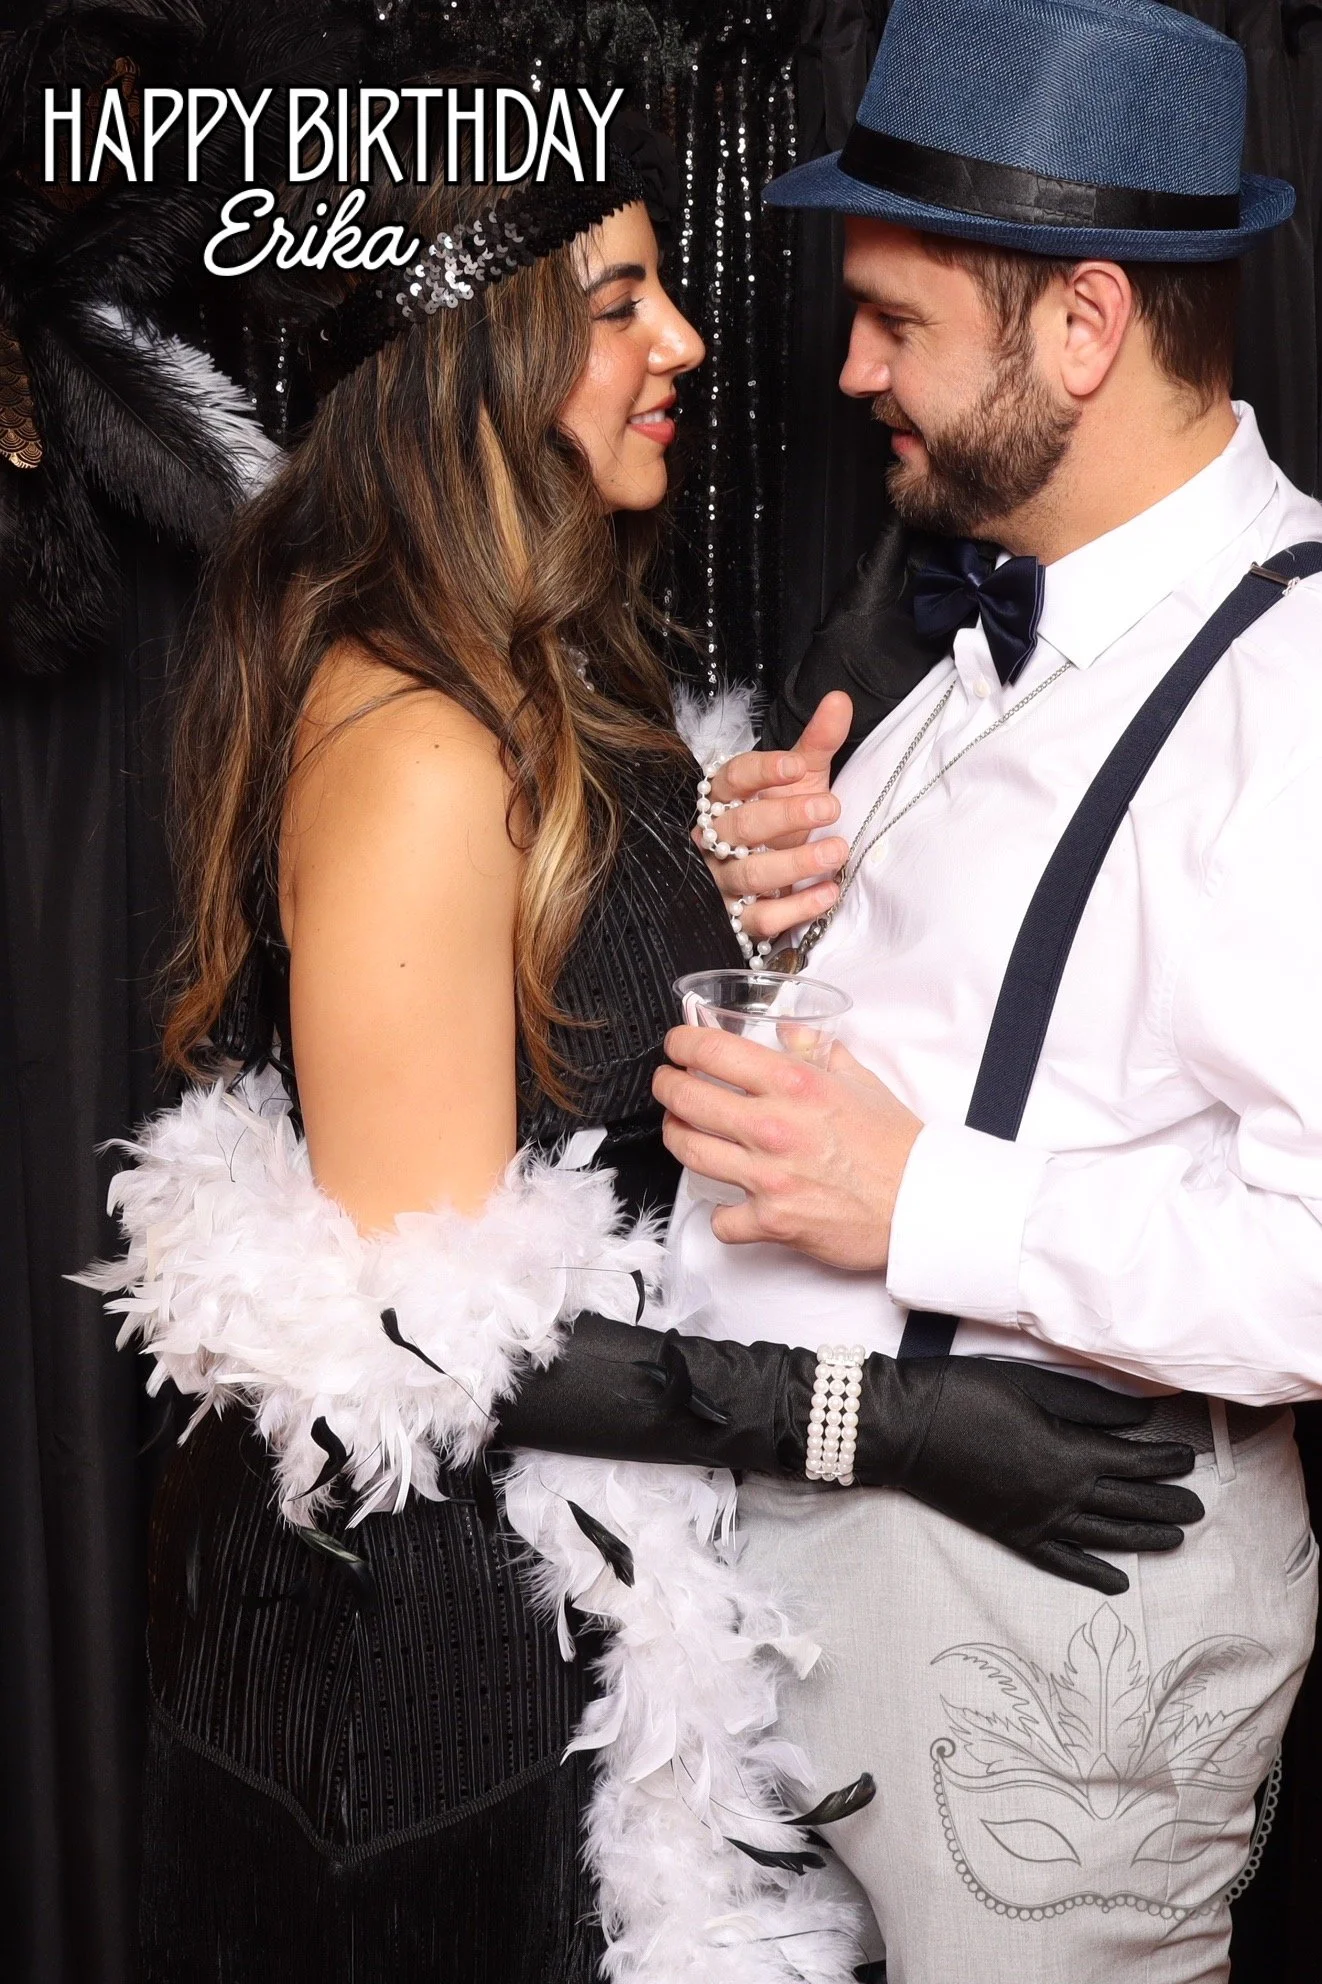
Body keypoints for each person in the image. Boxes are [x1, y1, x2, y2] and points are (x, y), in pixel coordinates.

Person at [83, 83, 1204, 1984]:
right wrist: (897, 1423)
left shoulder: (553, 673)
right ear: (463, 363)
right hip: (413, 1684)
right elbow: (422, 1331)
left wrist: (774, 883)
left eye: (662, 291)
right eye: (614, 304)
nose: (682, 339)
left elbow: (594, 1053)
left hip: (575, 1616)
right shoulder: (413, 739)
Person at [659, 3, 1322, 1980]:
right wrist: (789, 902)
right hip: (825, 1590)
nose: (847, 366)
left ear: (1082, 328)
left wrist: (920, 1196)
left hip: (1037, 1645)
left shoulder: (1291, 698)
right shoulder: (1003, 618)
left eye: (897, 321)